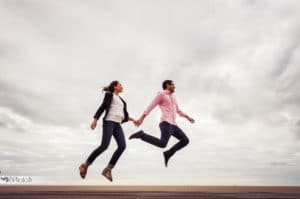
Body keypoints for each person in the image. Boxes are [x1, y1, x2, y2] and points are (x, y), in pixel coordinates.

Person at [79, 81, 136, 182]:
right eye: (120, 85)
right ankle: (85, 165)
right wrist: (95, 119)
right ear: (115, 87)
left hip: (117, 124)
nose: (122, 86)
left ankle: (108, 169)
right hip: (109, 122)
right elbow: (102, 107)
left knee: (122, 146)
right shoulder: (109, 95)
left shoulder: (122, 100)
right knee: (104, 146)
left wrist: (133, 120)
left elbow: (123, 115)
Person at [129, 80, 195, 167]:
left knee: (185, 140)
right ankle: (142, 135)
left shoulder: (173, 97)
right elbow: (150, 106)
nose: (174, 86)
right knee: (162, 144)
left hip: (174, 125)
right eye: (172, 85)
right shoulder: (161, 95)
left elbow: (178, 111)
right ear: (167, 85)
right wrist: (141, 118)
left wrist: (188, 117)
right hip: (166, 123)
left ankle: (168, 153)